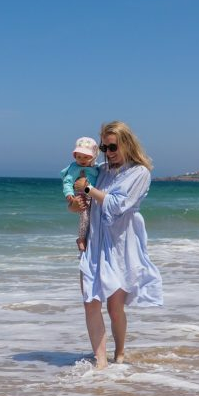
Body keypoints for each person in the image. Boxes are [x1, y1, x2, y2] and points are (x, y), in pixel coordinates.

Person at [71, 121, 163, 369]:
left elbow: (116, 205)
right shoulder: (100, 171)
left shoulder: (140, 173)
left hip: (121, 246)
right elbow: (84, 203)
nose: (108, 152)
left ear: (127, 144)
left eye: (113, 147)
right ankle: (101, 363)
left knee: (114, 307)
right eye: (104, 147)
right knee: (90, 302)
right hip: (94, 243)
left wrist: (88, 188)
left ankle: (119, 353)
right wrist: (75, 203)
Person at [60, 137, 100, 251]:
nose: (82, 160)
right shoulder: (74, 168)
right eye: (79, 157)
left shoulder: (97, 167)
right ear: (75, 156)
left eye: (86, 157)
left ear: (93, 157)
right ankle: (81, 238)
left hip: (95, 196)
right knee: (85, 217)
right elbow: (67, 181)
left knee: (94, 218)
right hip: (82, 196)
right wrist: (69, 193)